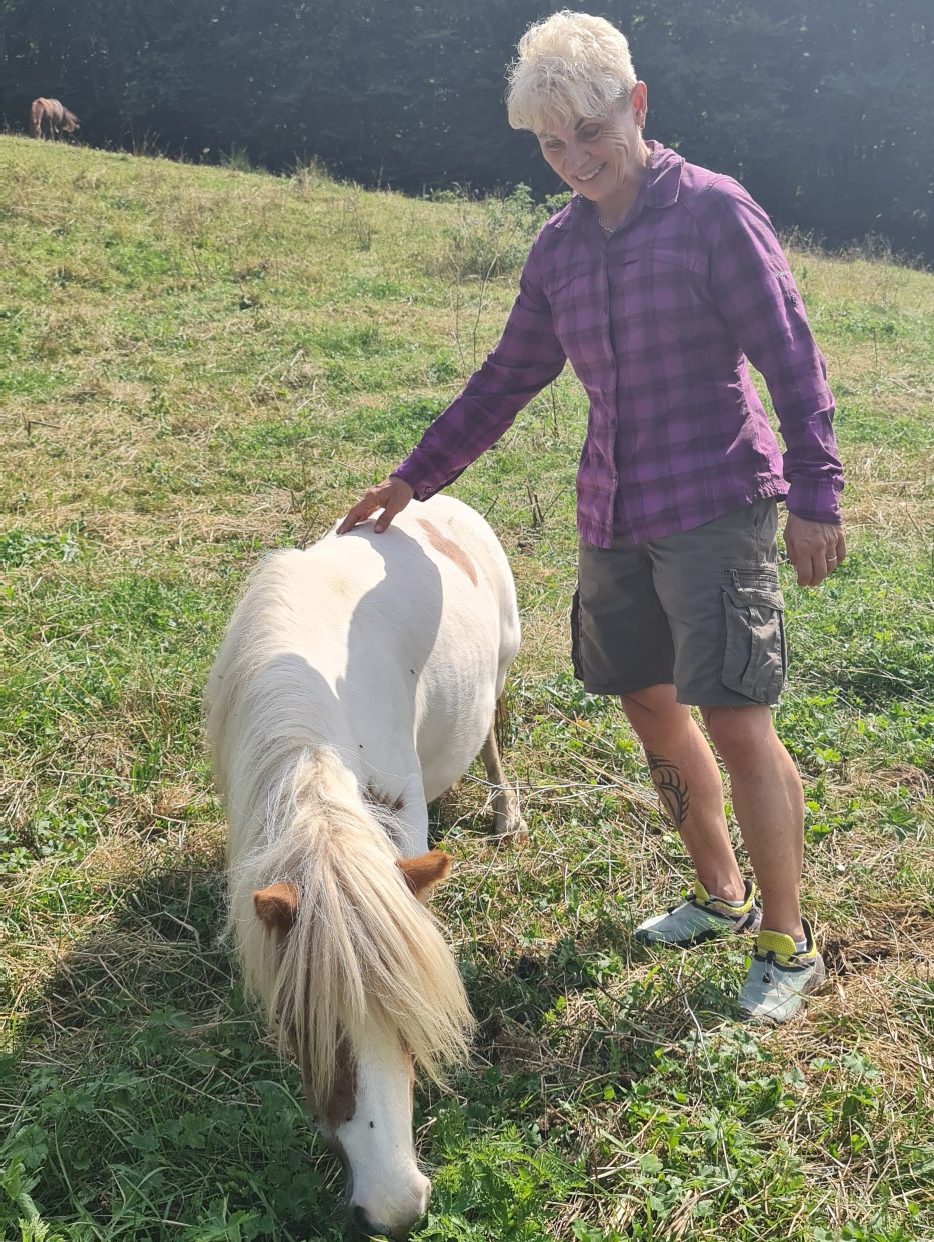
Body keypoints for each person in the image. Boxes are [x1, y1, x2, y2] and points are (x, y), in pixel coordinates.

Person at [338, 10, 845, 1024]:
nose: (575, 159)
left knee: (737, 718)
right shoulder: (558, 250)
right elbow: (506, 377)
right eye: (553, 145)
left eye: (590, 134)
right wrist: (414, 478)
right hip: (614, 506)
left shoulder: (714, 215)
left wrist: (816, 497)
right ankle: (720, 896)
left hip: (716, 502)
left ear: (636, 105)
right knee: (648, 703)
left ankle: (790, 943)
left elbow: (792, 360)